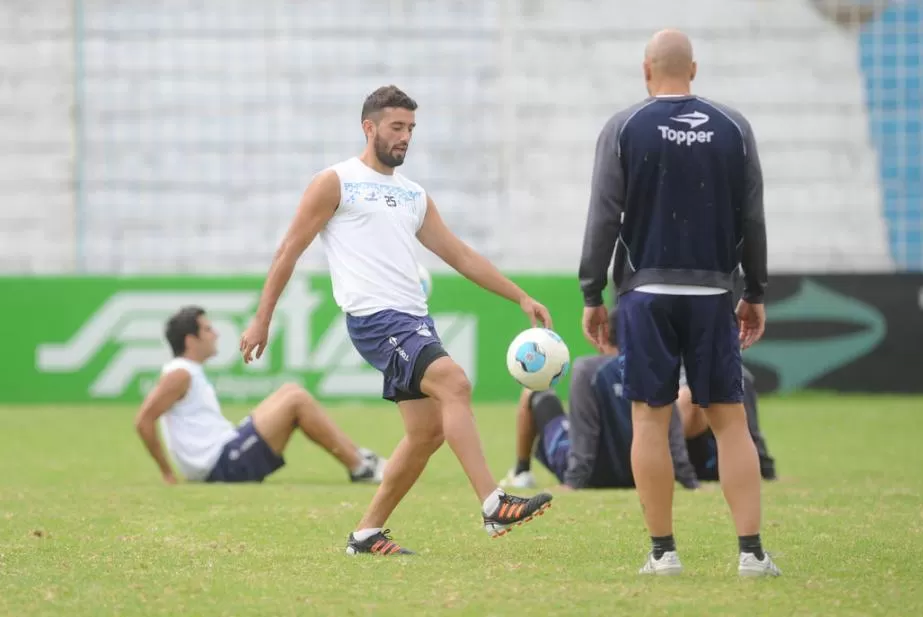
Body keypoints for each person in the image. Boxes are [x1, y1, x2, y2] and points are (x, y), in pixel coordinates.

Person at [239, 85, 554, 556]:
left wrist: (521, 297)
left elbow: (461, 255)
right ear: (369, 128)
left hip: (413, 320)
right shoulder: (335, 181)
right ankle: (493, 503)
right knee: (455, 383)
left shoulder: (413, 195)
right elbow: (289, 250)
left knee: (426, 433)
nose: (405, 137)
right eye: (396, 127)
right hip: (374, 319)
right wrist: (262, 318)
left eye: (411, 129)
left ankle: (366, 534)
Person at [578, 29, 781, 576]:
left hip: (645, 293)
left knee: (649, 420)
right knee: (729, 422)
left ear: (646, 69)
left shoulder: (623, 127)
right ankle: (752, 554)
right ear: (693, 69)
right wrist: (754, 291)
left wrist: (591, 292)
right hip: (713, 291)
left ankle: (664, 553)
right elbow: (753, 219)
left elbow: (603, 217)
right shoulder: (733, 127)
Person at [134, 306, 386, 486]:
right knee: (295, 399)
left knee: (290, 391)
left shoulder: (185, 372)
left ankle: (360, 458)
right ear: (191, 340)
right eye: (208, 329)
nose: (216, 334)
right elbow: (144, 420)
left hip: (225, 450)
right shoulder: (179, 374)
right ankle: (360, 467)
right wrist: (167, 473)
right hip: (222, 464)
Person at [501, 309, 702, 491]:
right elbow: (672, 428)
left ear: (603, 334)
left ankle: (521, 471)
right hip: (642, 474)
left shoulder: (588, 369)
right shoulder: (655, 369)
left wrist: (573, 482)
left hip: (591, 476)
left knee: (534, 391)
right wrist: (690, 481)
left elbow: (585, 431)